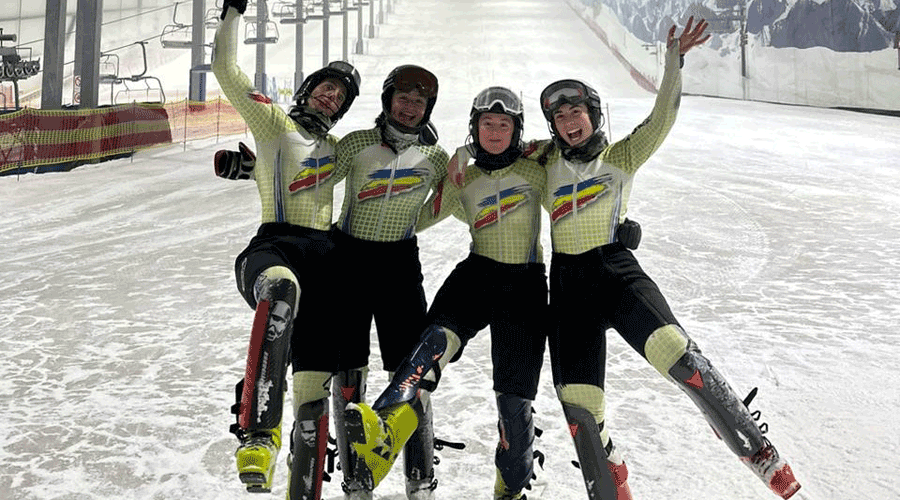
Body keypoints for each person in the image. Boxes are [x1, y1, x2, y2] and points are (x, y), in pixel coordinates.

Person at [530, 16, 801, 499]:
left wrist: (674, 62)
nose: (570, 125)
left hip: (616, 274)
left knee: (684, 363)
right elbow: (499, 161)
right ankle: (610, 468)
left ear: (593, 114)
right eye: (560, 119)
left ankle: (759, 450)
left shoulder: (621, 157)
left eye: (577, 114)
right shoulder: (544, 165)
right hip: (568, 288)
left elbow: (662, 118)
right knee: (580, 412)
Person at [211, 1, 361, 498]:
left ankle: (305, 477)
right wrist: (234, 13)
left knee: (312, 387)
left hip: (326, 259)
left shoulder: (337, 151)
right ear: (307, 90)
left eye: (339, 97)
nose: (330, 97)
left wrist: (250, 169)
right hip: (275, 246)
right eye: (325, 87)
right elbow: (226, 70)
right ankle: (256, 433)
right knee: (280, 291)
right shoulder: (274, 122)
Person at [412, 87, 550, 500]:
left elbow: (575, 185)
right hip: (477, 274)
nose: (494, 131)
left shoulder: (535, 171)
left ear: (516, 130)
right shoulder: (463, 179)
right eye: (486, 124)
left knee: (515, 399)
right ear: (474, 127)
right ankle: (385, 432)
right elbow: (418, 219)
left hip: (525, 285)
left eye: (503, 124)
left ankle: (510, 486)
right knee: (430, 348)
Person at [327, 64, 449, 500]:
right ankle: (356, 474)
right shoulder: (358, 144)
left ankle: (419, 476)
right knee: (347, 373)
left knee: (412, 372)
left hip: (399, 263)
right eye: (403, 99)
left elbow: (462, 196)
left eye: (419, 102)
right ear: (388, 101)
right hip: (349, 260)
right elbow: (314, 178)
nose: (411, 107)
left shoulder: (435, 159)